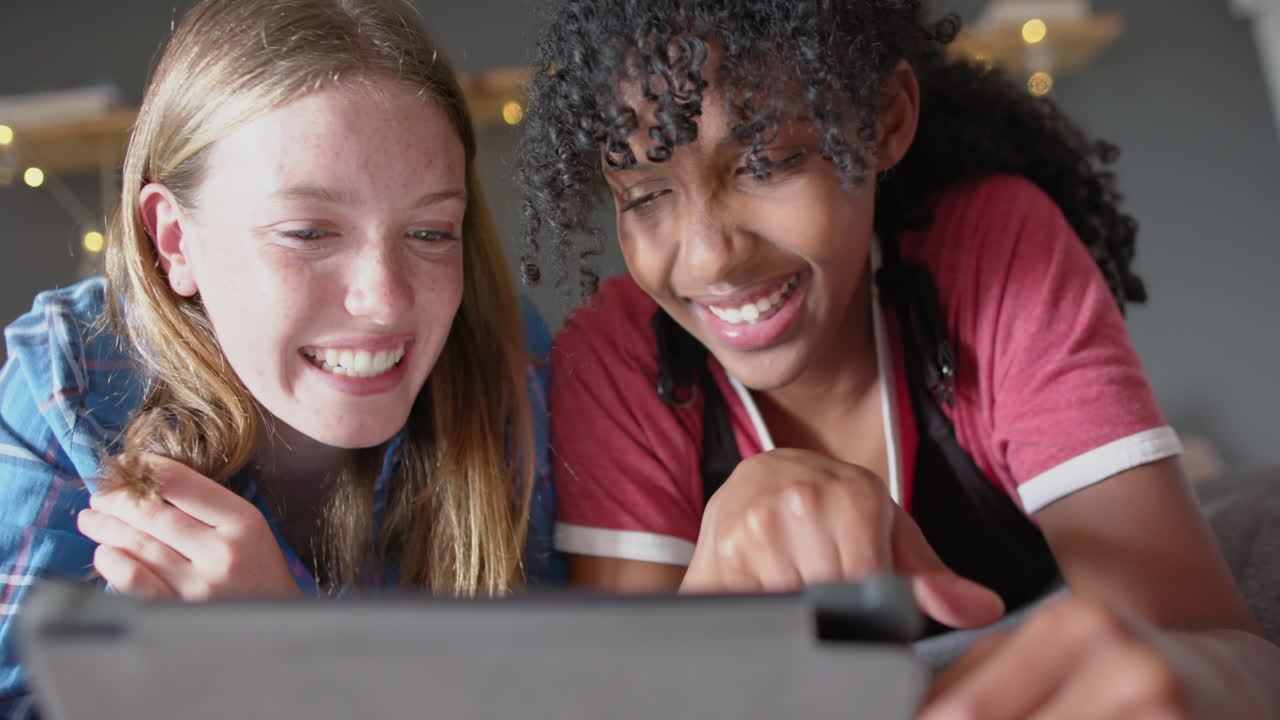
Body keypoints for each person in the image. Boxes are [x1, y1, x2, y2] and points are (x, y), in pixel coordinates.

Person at [516, 0, 1280, 716]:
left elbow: (1222, 648)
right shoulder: (618, 360)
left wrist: (1177, 674)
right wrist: (709, 621)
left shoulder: (989, 252)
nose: (711, 258)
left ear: (885, 119)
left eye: (765, 162)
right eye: (646, 196)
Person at [0, 0, 562, 714]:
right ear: (174, 242)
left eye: (429, 232)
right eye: (307, 232)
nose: (386, 301)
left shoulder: (510, 367)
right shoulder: (70, 386)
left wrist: (292, 649)